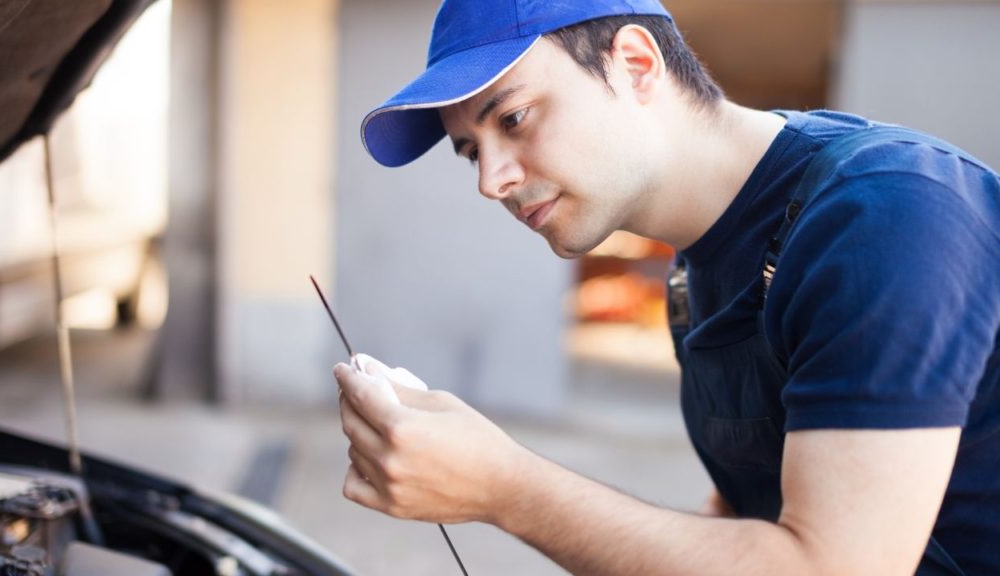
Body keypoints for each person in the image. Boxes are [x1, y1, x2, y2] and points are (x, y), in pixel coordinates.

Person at [332, 1, 1000, 574]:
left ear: (636, 64)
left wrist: (504, 486)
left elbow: (829, 565)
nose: (491, 180)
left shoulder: (884, 215)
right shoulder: (695, 272)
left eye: (512, 120)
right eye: (472, 150)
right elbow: (742, 520)